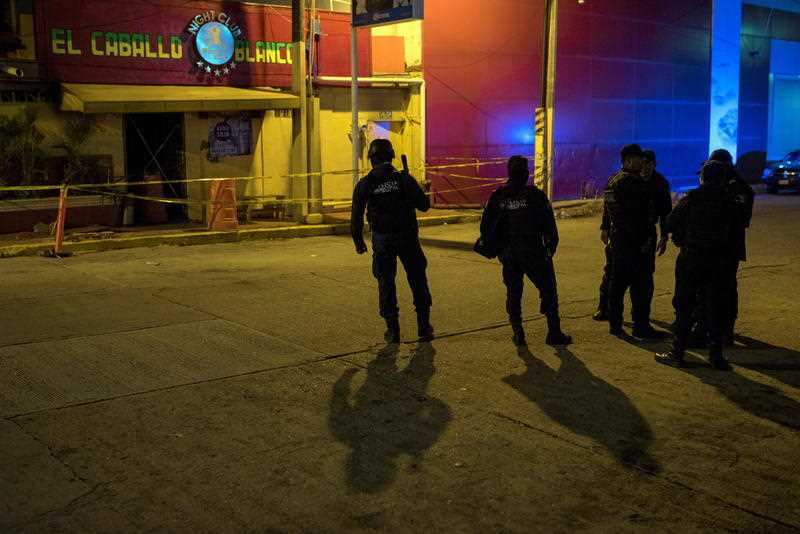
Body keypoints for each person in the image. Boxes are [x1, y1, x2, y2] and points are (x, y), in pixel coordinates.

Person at [479, 156, 571, 347]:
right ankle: (554, 333)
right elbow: (549, 226)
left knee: (514, 292)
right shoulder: (535, 195)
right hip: (534, 251)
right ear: (527, 173)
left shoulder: (498, 196)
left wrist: (498, 249)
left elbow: (485, 226)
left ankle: (518, 332)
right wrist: (550, 249)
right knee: (548, 290)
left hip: (509, 254)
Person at [656, 161, 739, 370]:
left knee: (684, 306)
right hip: (719, 262)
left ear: (703, 177)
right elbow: (736, 234)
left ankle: (677, 353)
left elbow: (669, 222)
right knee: (715, 307)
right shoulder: (731, 202)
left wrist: (680, 235)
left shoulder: (692, 199)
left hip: (692, 259)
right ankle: (716, 355)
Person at [351, 139, 434, 344]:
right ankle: (423, 327)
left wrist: (358, 240)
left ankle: (393, 330)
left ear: (371, 159)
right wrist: (414, 184)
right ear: (391, 157)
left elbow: (356, 216)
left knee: (386, 281)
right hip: (407, 237)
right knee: (417, 279)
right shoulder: (403, 179)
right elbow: (424, 205)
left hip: (382, 240)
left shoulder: (365, 183)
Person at [594, 149, 672, 323]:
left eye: (648, 165)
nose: (644, 168)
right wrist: (605, 227)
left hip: (642, 235)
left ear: (654, 165)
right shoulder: (622, 180)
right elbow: (609, 207)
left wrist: (664, 235)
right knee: (613, 272)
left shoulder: (659, 183)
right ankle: (605, 308)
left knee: (642, 276)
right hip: (623, 235)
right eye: (642, 163)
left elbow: (665, 212)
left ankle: (636, 318)